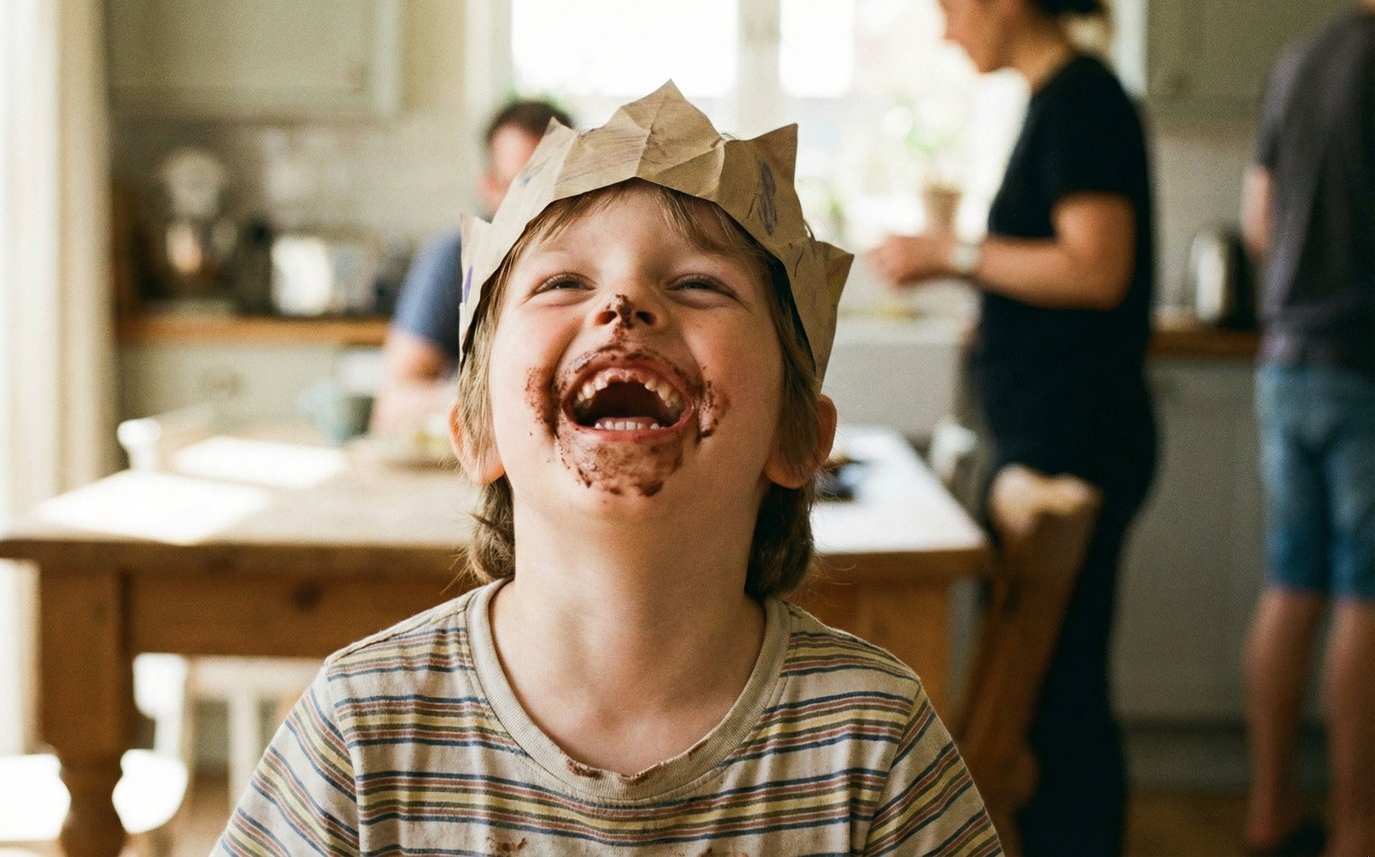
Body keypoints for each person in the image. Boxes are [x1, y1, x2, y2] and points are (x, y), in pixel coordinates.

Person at [214, 82, 1001, 855]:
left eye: (699, 282)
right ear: (477, 432)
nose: (623, 300)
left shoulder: (875, 742)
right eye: (563, 282)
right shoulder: (359, 731)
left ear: (799, 436)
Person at [867, 1, 1155, 854]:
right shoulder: (1059, 99)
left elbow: (1098, 267)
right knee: (1055, 694)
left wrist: (952, 255)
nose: (946, 29)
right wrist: (995, 308)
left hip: (1077, 436)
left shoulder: (1082, 99)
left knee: (1061, 699)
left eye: (951, 6)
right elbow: (1058, 269)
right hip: (1058, 430)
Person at [1239, 4, 1375, 855]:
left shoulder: (1301, 58)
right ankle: (1359, 830)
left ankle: (1268, 808)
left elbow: (1260, 221)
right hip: (1366, 364)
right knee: (1367, 595)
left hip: (1286, 362)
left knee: (1292, 584)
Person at [372, 99, 573, 437]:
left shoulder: (607, 263)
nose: (542, 204)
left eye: (555, 182)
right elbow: (393, 405)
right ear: (490, 188)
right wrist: (491, 398)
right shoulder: (455, 260)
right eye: (523, 186)